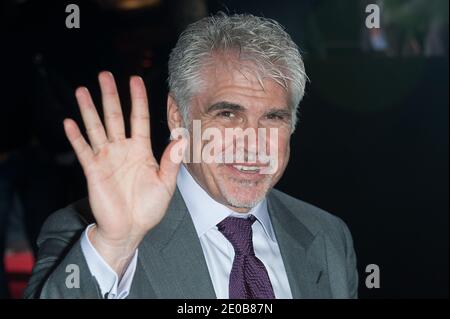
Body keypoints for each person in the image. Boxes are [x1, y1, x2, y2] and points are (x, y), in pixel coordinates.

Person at [24, 13, 358, 299]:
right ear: (177, 116)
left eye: (273, 117)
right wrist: (116, 244)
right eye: (228, 114)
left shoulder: (328, 235)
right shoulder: (85, 231)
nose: (253, 143)